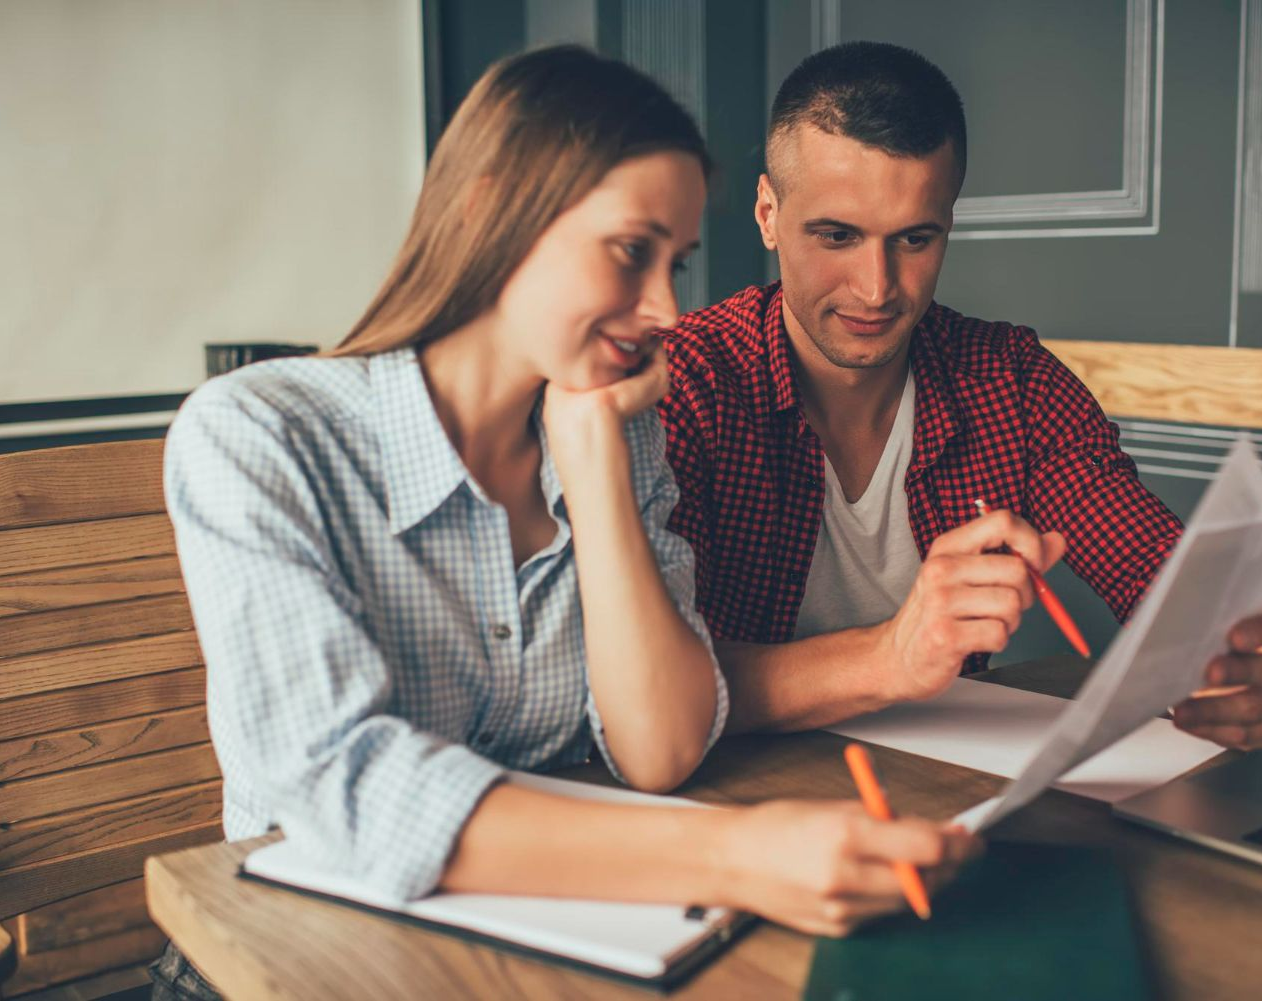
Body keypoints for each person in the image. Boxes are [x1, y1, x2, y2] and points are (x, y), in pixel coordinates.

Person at [152, 45, 976, 1000]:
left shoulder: (618, 437)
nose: (668, 307)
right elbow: (348, 791)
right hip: (297, 962)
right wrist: (739, 851)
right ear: (492, 209)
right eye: (633, 253)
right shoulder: (258, 433)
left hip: (549, 950)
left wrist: (589, 459)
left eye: (675, 264)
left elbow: (659, 747)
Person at [657, 40, 1262, 747]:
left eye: (914, 239)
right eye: (837, 235)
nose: (875, 288)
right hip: (729, 799)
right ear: (767, 212)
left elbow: (1154, 576)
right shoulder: (684, 384)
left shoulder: (1012, 380)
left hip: (950, 791)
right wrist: (889, 655)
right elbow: (642, 687)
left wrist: (1224, 653)